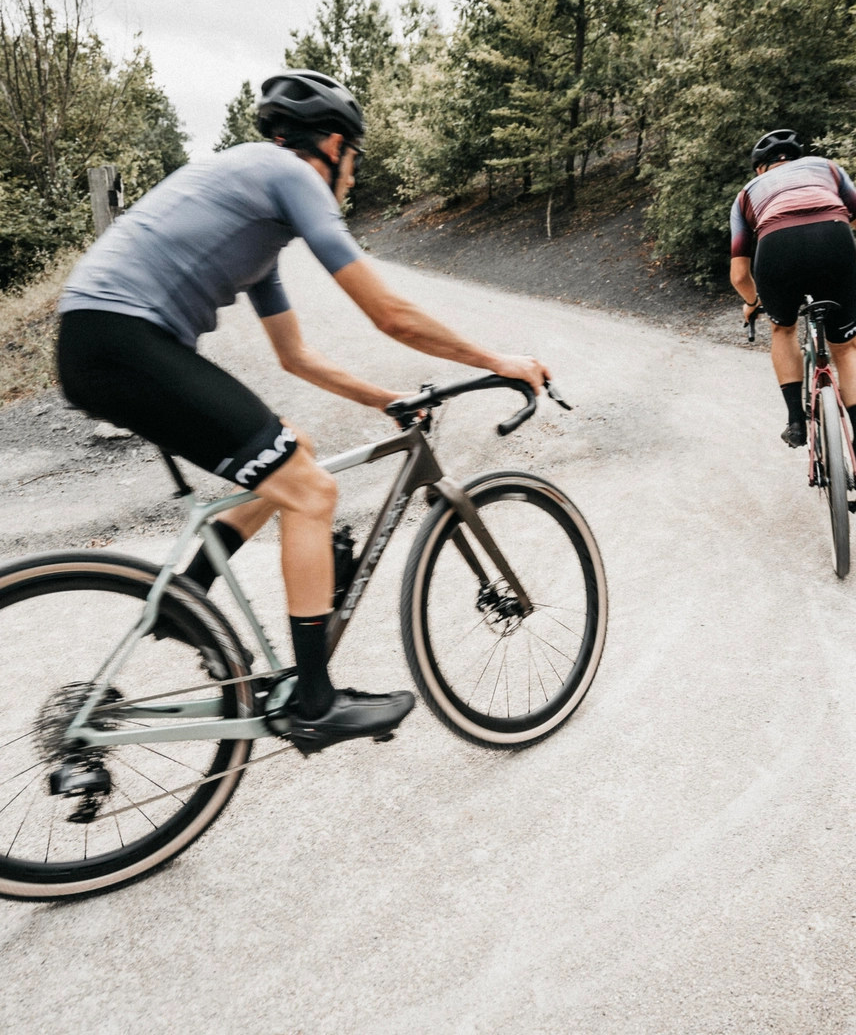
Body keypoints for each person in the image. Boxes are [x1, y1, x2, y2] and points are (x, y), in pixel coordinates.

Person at [56, 69, 550, 749]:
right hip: (120, 340)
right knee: (310, 492)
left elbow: (296, 357)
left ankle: (187, 601)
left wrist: (387, 399)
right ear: (336, 146)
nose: (351, 180)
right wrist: (500, 361)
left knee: (297, 454)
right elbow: (388, 315)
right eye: (356, 163)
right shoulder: (289, 177)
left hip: (101, 340)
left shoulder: (256, 217)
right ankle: (314, 702)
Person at [729, 129, 856, 483]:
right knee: (847, 349)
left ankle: (796, 422)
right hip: (834, 240)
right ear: (796, 158)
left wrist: (753, 303)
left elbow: (739, 275)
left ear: (759, 169)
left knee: (782, 329)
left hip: (776, 247)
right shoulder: (827, 168)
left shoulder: (747, 196)